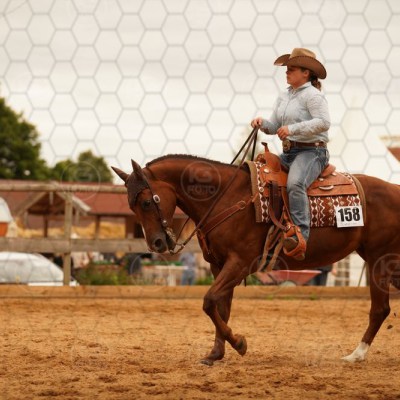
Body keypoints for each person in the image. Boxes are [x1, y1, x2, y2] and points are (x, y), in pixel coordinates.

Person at [251, 48, 330, 261]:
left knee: (295, 184)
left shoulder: (313, 95)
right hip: (289, 152)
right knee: (259, 177)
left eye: (291, 69)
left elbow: (324, 122)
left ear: (306, 73)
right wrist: (262, 123)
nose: (286, 72)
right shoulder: (284, 95)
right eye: (287, 68)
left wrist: (292, 129)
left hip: (312, 151)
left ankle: (300, 236)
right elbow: (275, 126)